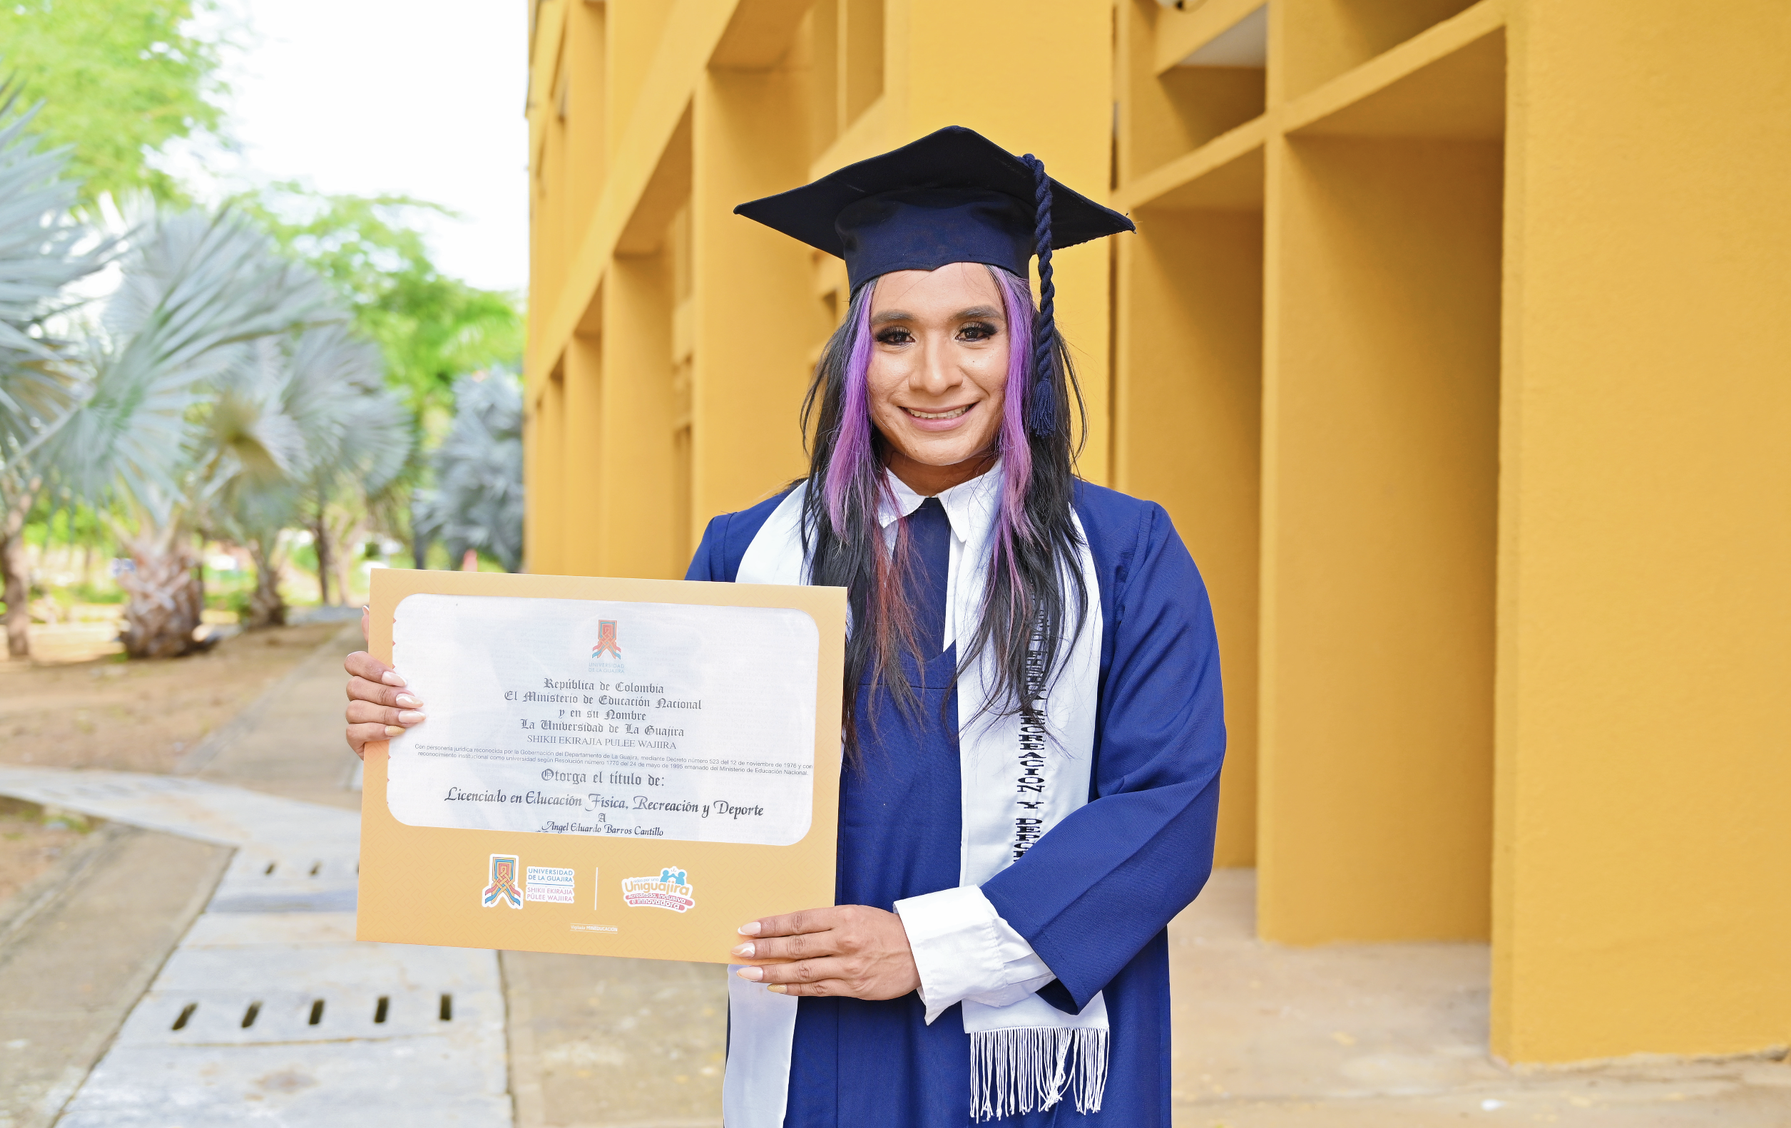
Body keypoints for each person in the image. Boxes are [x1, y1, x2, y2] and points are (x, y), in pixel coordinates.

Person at [344, 126, 1225, 1127]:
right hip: (820, 1037)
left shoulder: (1120, 553)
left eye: (974, 330)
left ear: (1025, 345)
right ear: (854, 353)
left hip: (1034, 1059)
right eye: (895, 335)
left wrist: (925, 947)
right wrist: (424, 724)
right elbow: (636, 773)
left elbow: (1165, 806)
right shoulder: (752, 551)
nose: (935, 374)